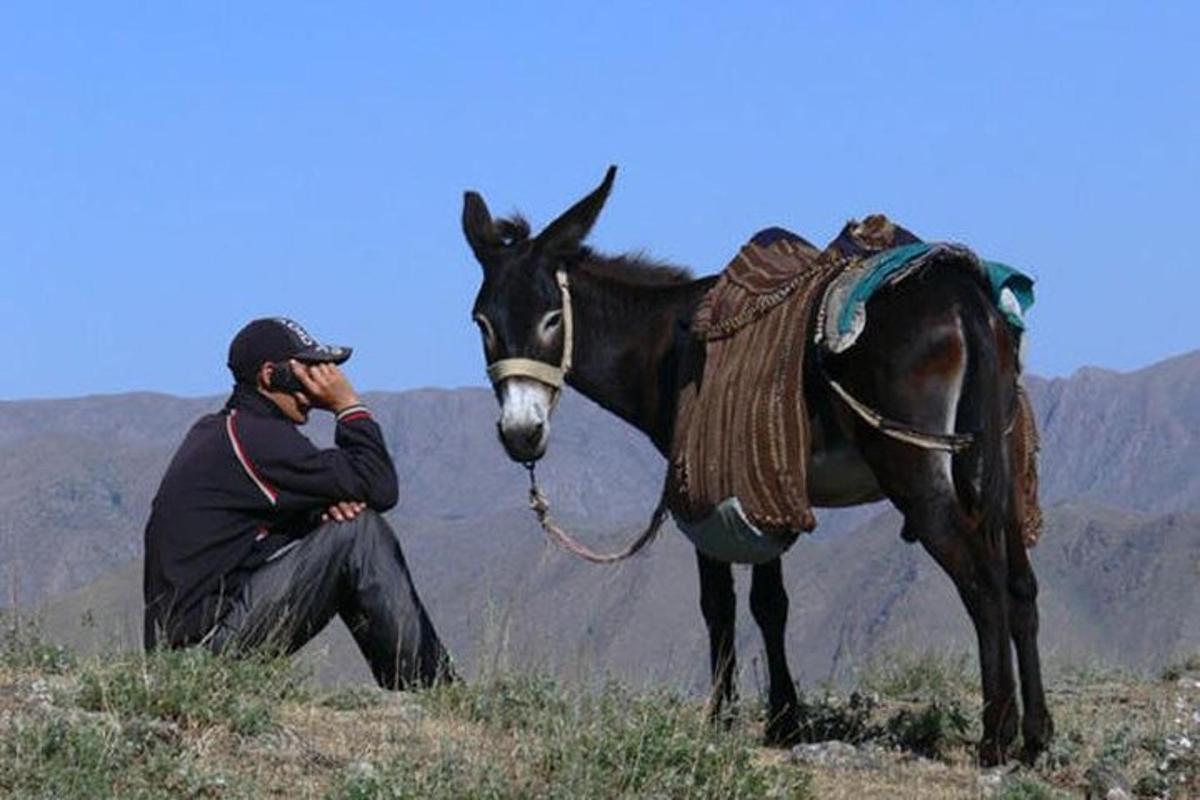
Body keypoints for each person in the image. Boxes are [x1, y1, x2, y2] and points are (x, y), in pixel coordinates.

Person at [143, 317, 451, 688]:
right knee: (359, 534)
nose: (315, 384)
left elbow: (255, 532)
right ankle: (432, 690)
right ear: (271, 375)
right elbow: (380, 485)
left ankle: (419, 687)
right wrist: (347, 405)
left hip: (191, 650)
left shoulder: (229, 432)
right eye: (305, 371)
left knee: (346, 529)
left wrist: (321, 513)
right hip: (203, 653)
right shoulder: (255, 438)